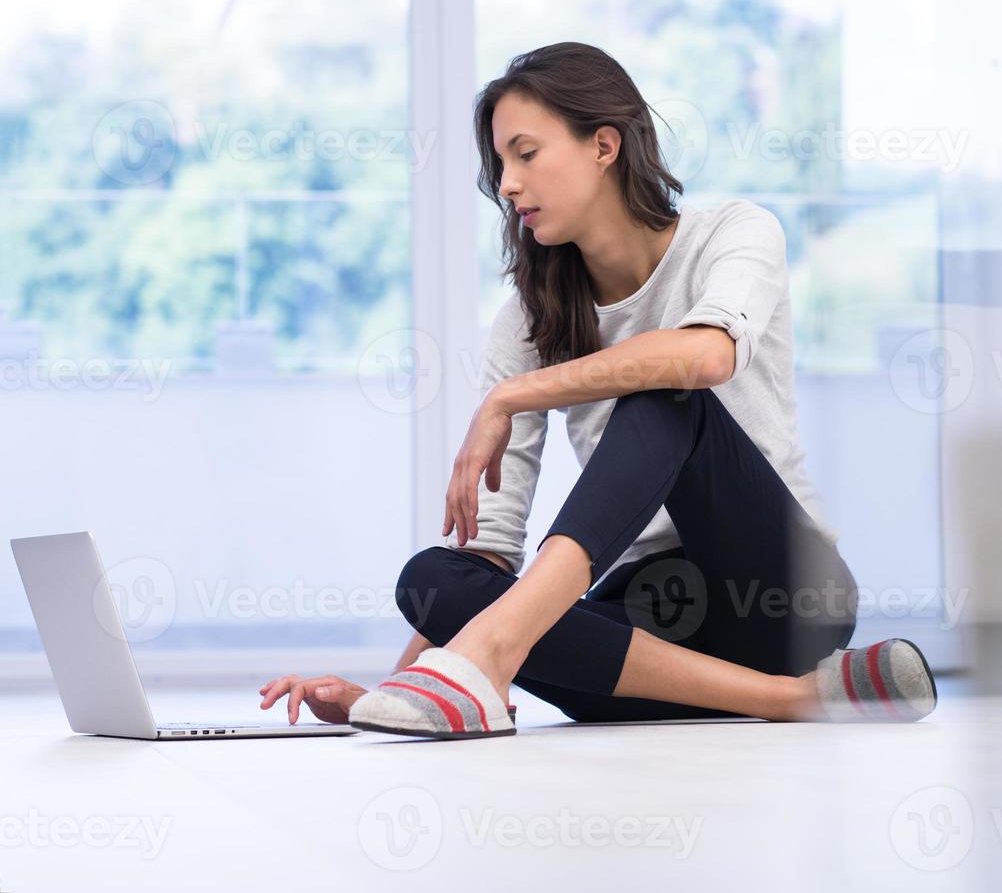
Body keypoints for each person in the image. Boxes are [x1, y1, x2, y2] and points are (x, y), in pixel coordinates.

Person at [258, 42, 936, 739]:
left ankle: (495, 660)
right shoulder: (527, 317)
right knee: (433, 579)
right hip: (650, 640)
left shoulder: (734, 233)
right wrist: (392, 693)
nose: (507, 184)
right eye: (499, 164)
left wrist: (512, 396)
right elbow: (491, 551)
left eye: (525, 153)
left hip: (783, 595)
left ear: (604, 145)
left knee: (663, 391)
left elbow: (705, 356)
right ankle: (794, 698)